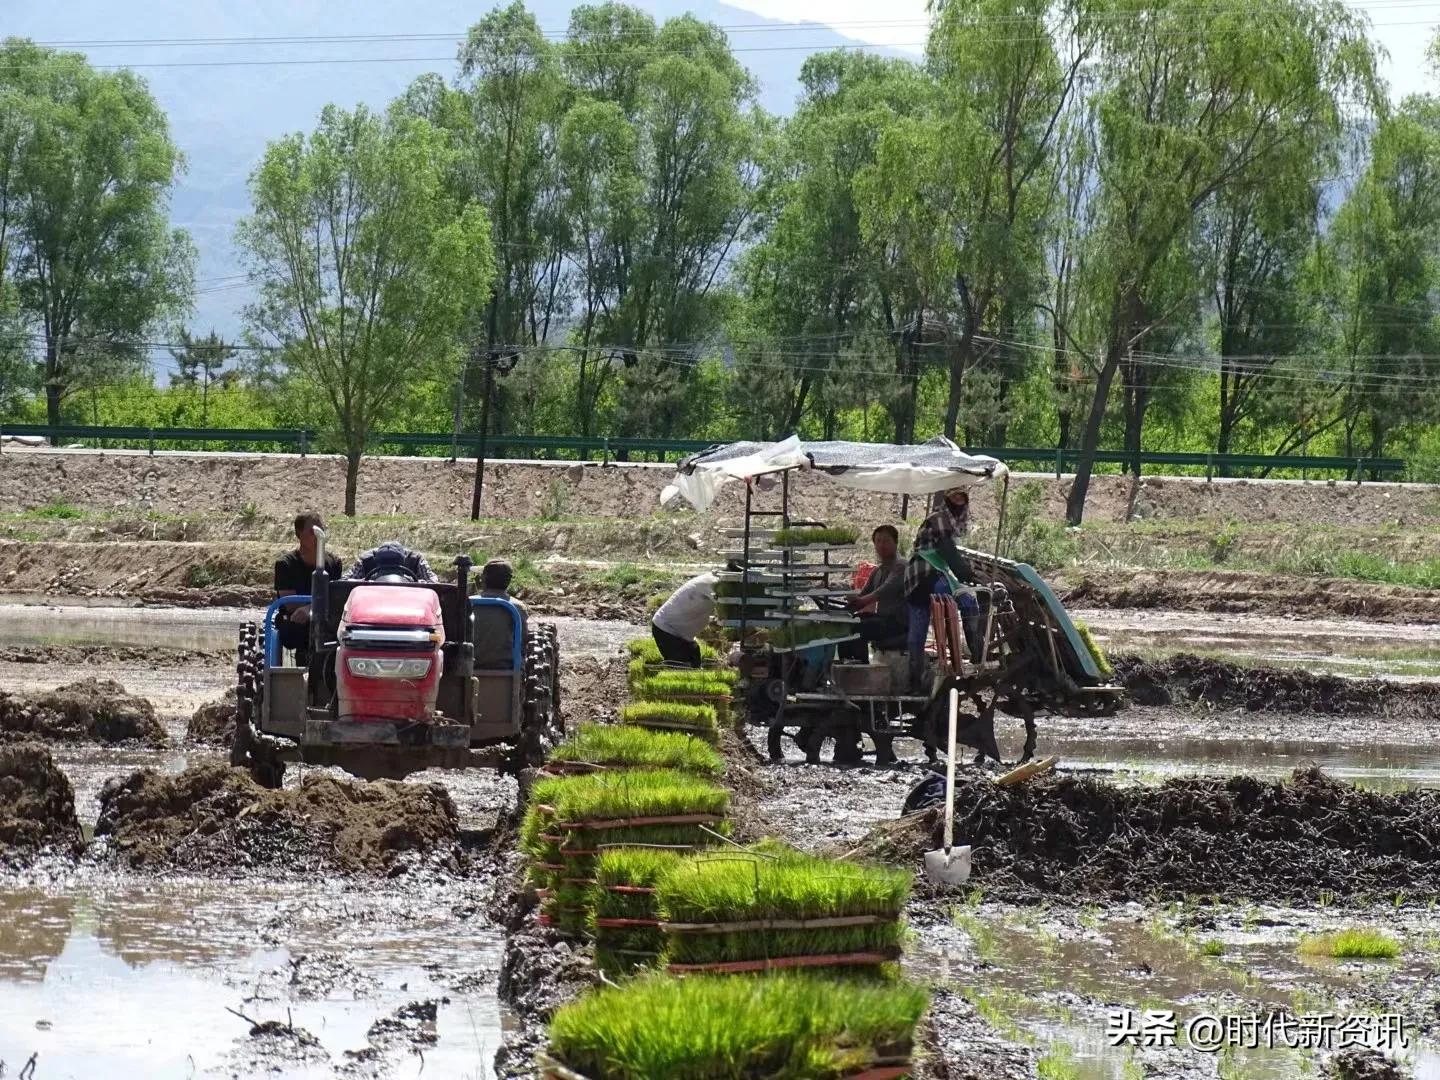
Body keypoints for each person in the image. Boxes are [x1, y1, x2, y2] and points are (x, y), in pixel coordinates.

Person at [904, 488, 982, 687]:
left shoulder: (944, 519)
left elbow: (949, 552)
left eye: (962, 497)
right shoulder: (940, 518)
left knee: (918, 631)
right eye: (954, 496)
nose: (958, 500)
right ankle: (977, 653)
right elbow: (949, 552)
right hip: (925, 575)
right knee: (968, 600)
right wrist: (969, 576)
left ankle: (915, 679)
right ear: (947, 499)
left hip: (915, 580)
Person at [274, 512, 342, 666]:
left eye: (321, 530)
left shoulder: (334, 563)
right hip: (296, 621)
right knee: (298, 627)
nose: (318, 536)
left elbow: (336, 598)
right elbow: (289, 604)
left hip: (326, 619)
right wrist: (310, 610)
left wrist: (311, 609)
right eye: (312, 532)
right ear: (299, 535)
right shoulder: (286, 565)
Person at [839, 525, 907, 661]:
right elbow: (861, 598)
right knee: (844, 624)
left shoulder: (902, 566)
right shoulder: (878, 571)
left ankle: (861, 668)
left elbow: (880, 593)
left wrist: (859, 601)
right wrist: (837, 615)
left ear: (896, 543)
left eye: (886, 541)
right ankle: (845, 667)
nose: (882, 545)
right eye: (878, 541)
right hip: (882, 619)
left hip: (898, 623)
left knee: (858, 628)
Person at [651, 570, 718, 667]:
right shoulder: (712, 582)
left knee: (695, 665)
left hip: (684, 635)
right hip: (667, 629)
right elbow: (724, 607)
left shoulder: (713, 581)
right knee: (682, 667)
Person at [478, 558, 528, 642]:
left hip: (471, 655)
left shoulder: (469, 604)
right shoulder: (518, 607)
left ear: (484, 579)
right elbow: (523, 640)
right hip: (507, 655)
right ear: (508, 581)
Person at [345, 540, 437, 582]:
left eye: (394, 561)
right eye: (385, 562)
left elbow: (434, 583)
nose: (389, 568)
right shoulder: (365, 561)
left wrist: (415, 583)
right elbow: (343, 582)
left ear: (404, 560)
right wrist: (364, 582)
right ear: (376, 560)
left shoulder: (416, 560)